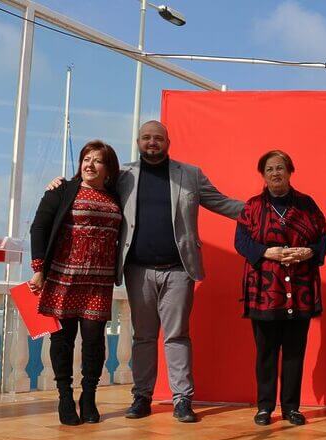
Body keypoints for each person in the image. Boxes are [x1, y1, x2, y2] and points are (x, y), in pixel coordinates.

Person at [48, 121, 246, 422]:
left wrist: (262, 210)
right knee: (143, 337)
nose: (152, 142)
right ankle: (141, 397)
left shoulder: (190, 174)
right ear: (138, 142)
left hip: (180, 269)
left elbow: (222, 203)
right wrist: (60, 186)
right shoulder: (123, 175)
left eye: (157, 138)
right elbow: (91, 184)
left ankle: (182, 400)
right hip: (138, 270)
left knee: (177, 336)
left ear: (168, 141)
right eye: (146, 138)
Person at [30, 140, 122, 425]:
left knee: (94, 341)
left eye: (97, 160)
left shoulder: (117, 196)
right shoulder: (62, 190)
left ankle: (89, 396)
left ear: (108, 169)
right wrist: (38, 269)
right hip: (63, 277)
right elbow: (39, 227)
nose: (90, 165)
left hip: (99, 281)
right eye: (86, 159)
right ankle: (65, 397)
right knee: (63, 340)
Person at [235, 150, 326, 427]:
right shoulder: (252, 206)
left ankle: (291, 408)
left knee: (294, 352)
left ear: (290, 171)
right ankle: (265, 407)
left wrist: (309, 252)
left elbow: (323, 238)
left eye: (280, 168)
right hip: (265, 290)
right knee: (265, 353)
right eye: (269, 170)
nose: (275, 173)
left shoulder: (307, 204)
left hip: (300, 290)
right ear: (263, 175)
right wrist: (268, 252)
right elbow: (241, 242)